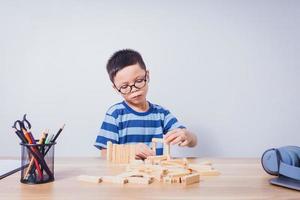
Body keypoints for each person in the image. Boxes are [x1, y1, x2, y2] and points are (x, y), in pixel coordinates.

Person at [94, 49, 197, 159]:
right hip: (124, 174)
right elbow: (105, 154)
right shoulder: (115, 114)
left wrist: (187, 136)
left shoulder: (161, 113)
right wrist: (130, 151)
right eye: (124, 87)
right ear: (115, 88)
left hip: (155, 173)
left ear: (147, 75)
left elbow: (193, 141)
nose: (134, 90)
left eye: (138, 81)